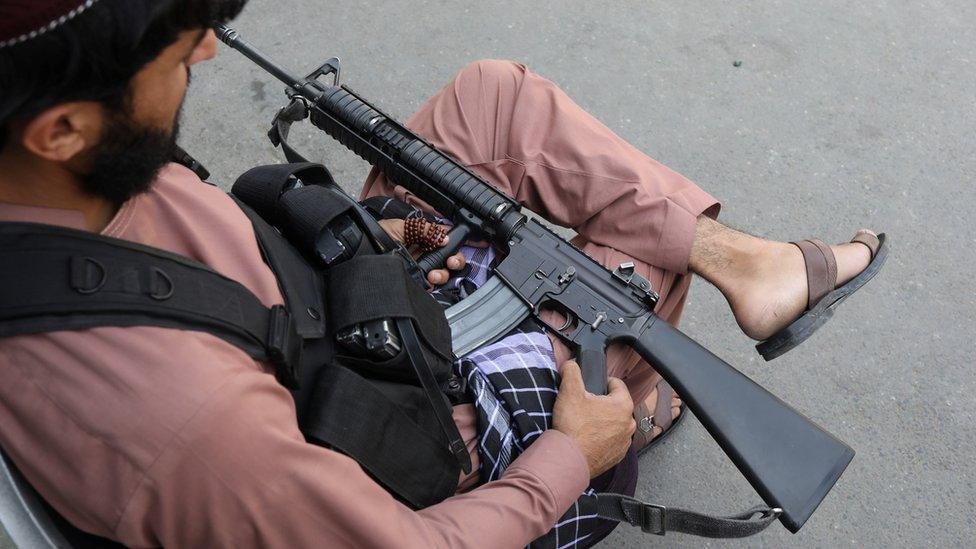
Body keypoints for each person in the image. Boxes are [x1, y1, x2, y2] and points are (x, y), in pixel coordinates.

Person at [0, 0, 884, 547]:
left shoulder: (51, 176)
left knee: (492, 102)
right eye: (174, 52)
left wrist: (380, 239)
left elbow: (233, 272)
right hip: (409, 450)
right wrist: (569, 454)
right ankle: (627, 424)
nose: (206, 58)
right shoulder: (186, 430)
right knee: (618, 278)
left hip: (337, 334)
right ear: (63, 129)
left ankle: (755, 272)